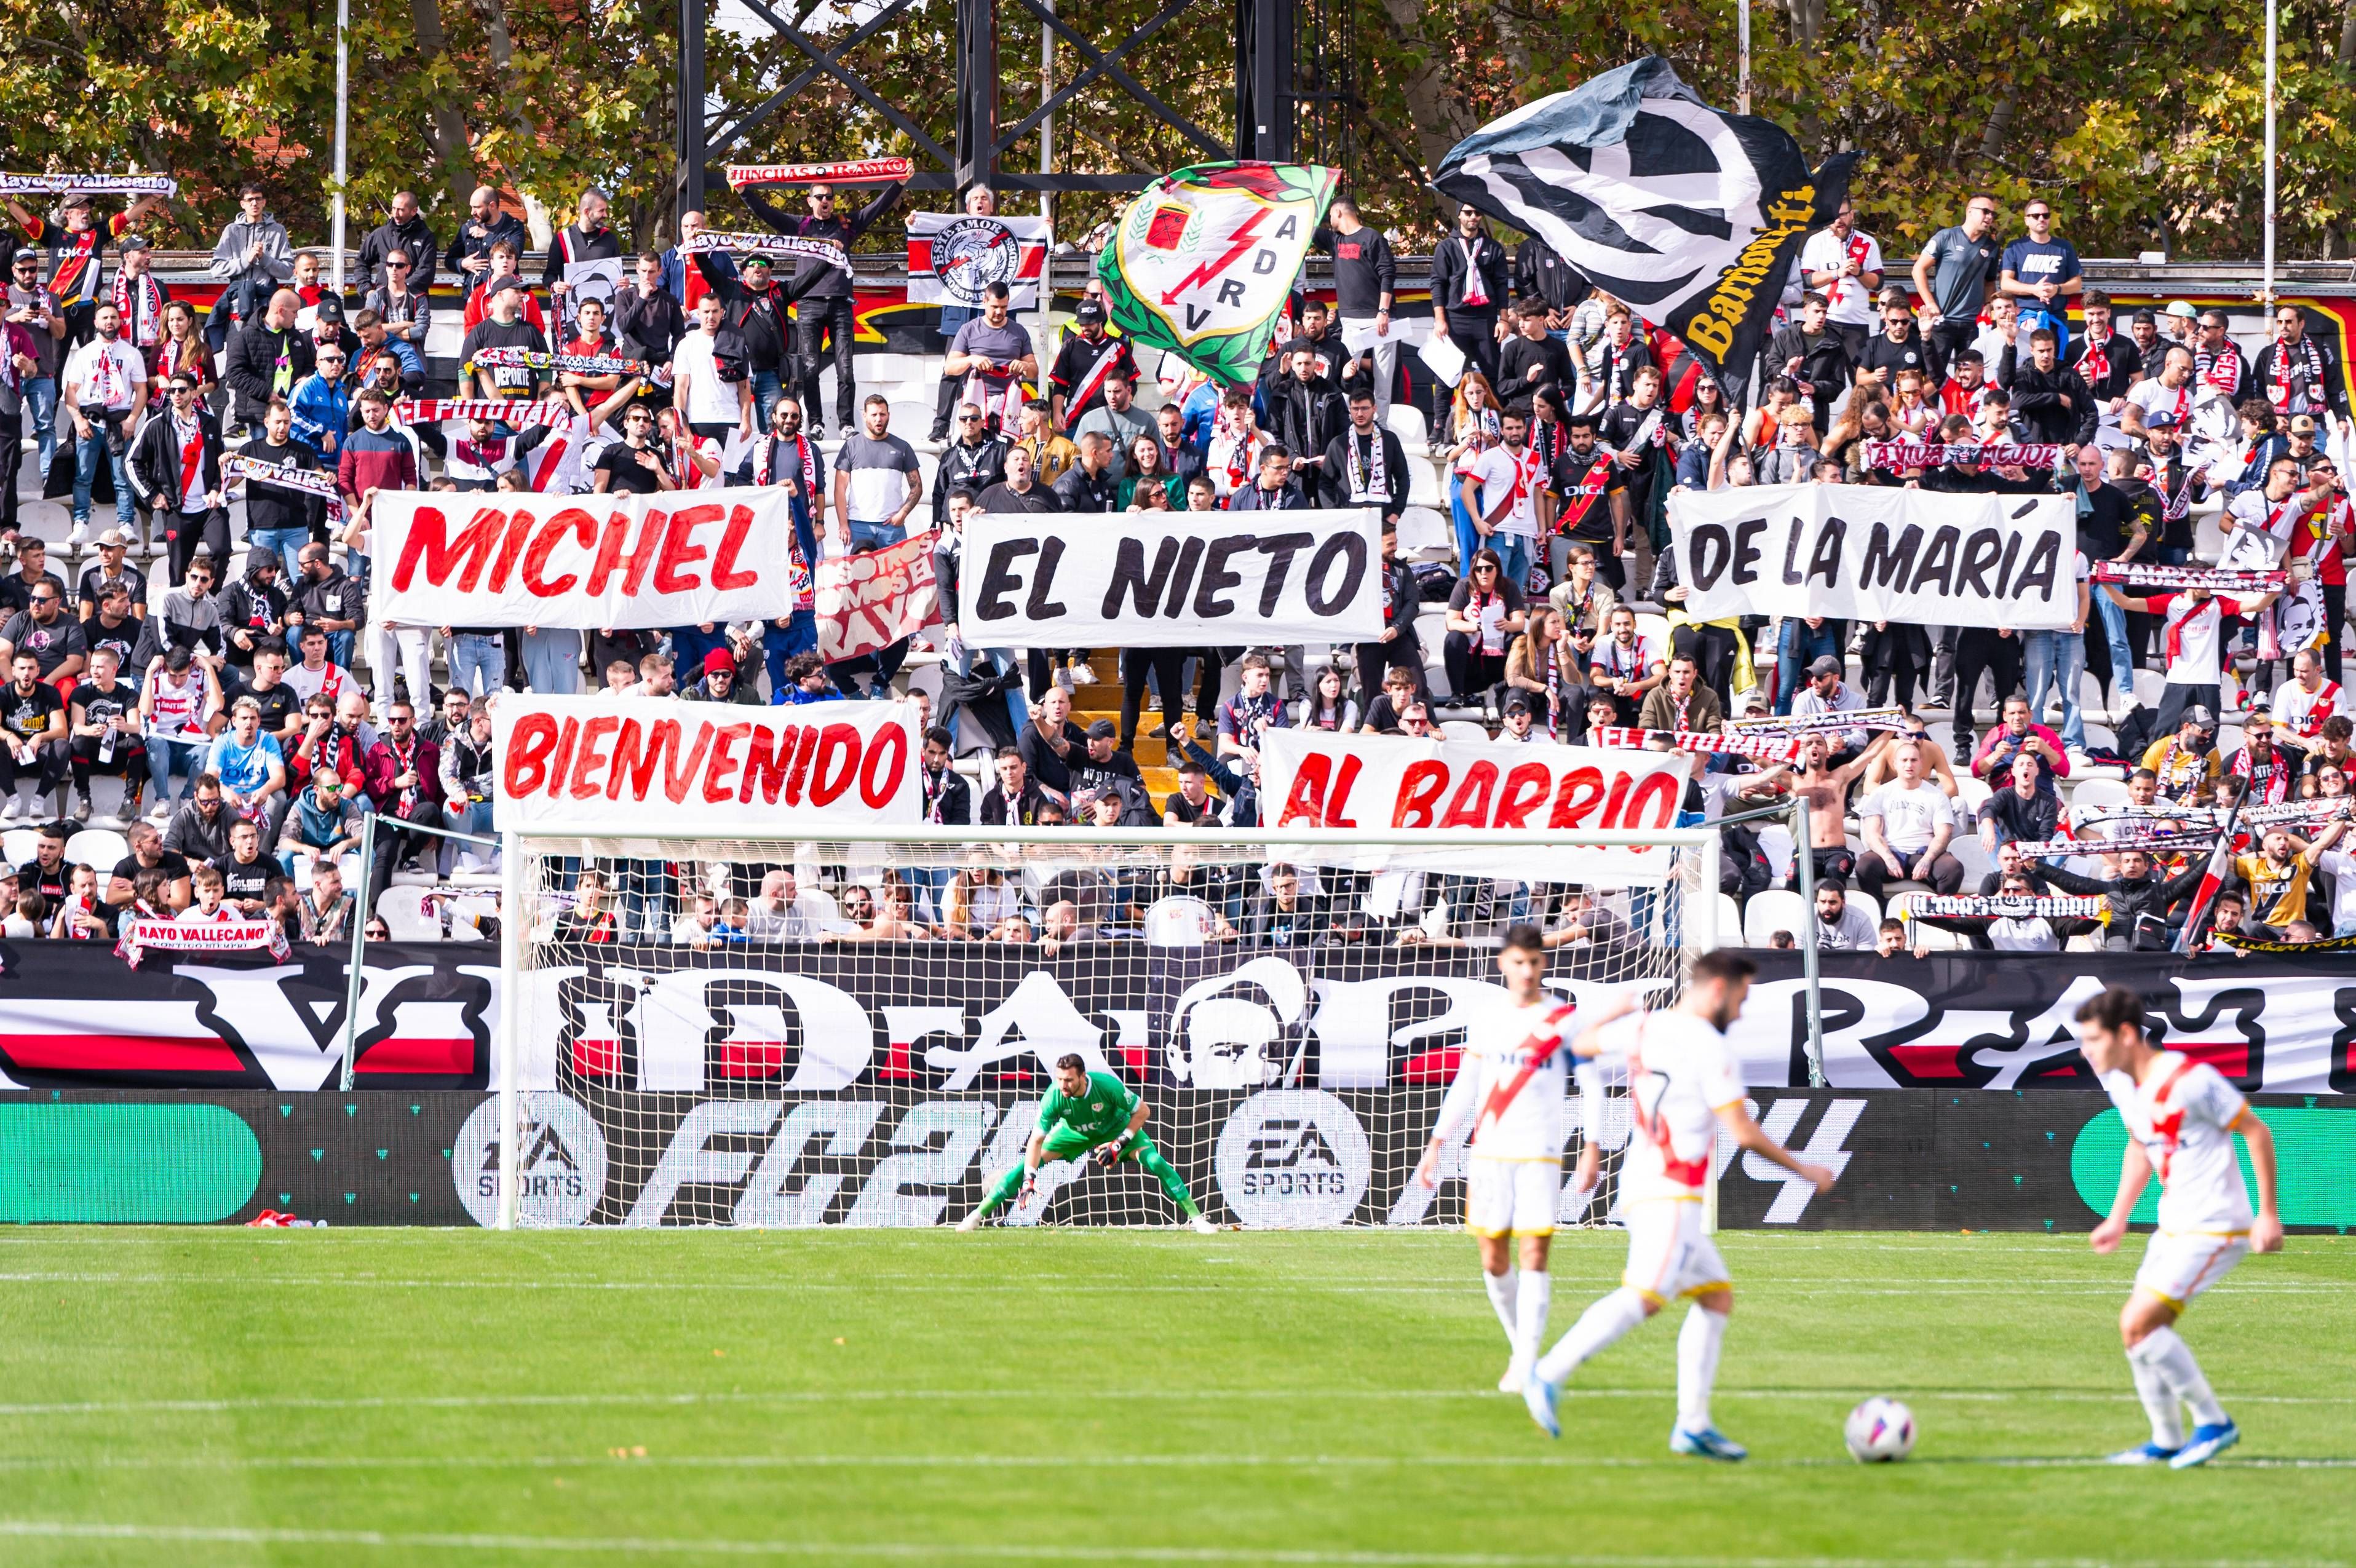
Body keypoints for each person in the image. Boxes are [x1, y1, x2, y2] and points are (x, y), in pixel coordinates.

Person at [1524, 951, 1836, 1454]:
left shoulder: (1646, 1027)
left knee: (1715, 1298)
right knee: (1645, 1297)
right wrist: (1805, 1170)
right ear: (1719, 989)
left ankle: (1692, 1424)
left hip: (1645, 1183)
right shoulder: (1711, 1049)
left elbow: (1578, 1046)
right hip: (1669, 1191)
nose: (1740, 1011)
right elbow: (1742, 1132)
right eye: (1741, 998)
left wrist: (1610, 1014)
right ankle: (1548, 1373)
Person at [2072, 984, 2282, 1468]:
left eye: (2092, 1040)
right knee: (2136, 1334)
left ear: (2124, 1034)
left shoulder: (2189, 1078)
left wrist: (2268, 1213)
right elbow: (2140, 1146)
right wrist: (2118, 1217)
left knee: (2138, 1324)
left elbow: (2256, 1131)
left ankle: (2212, 1422)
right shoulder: (2127, 1088)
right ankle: (2164, 1440)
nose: (2085, 1052)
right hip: (2174, 1225)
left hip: (2214, 1225)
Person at [1408, 926, 1580, 1390]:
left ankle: (1525, 1362)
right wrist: (1437, 1143)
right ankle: (1520, 1346)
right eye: (1518, 962)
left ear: (1544, 964)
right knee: (1493, 1260)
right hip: (1488, 1151)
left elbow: (1592, 1082)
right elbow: (1467, 1083)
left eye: (1535, 962)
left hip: (1540, 1152)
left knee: (1534, 1253)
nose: (1527, 971)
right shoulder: (1486, 1018)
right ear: (1503, 963)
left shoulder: (1564, 1019)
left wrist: (1593, 1147)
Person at [957, 1051, 1215, 1231]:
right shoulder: (1054, 1097)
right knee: (1022, 1168)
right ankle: (976, 1216)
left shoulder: (1106, 1086)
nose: (1063, 1085)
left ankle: (1198, 1220)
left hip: (1115, 1129)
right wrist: (1029, 1178)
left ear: (1082, 1077)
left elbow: (1143, 1111)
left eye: (1068, 1080)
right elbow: (1036, 1140)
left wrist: (1119, 1143)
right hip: (1073, 1133)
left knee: (1156, 1161)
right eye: (1059, 1079)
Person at [740, 175, 903, 438]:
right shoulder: (800, 225)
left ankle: (846, 424)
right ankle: (815, 423)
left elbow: (877, 208)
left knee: (845, 368)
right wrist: (743, 191)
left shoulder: (846, 224)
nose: (825, 201)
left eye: (829, 197)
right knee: (810, 368)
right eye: (819, 197)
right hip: (808, 304)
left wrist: (900, 183)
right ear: (810, 201)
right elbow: (767, 213)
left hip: (840, 304)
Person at [60, 299, 146, 544]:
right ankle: (81, 524)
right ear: (96, 322)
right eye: (105, 318)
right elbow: (71, 391)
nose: (109, 322)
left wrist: (132, 419)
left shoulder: (131, 353)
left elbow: (141, 390)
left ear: (121, 321)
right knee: (82, 475)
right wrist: (78, 419)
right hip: (90, 421)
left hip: (119, 421)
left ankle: (126, 524)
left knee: (122, 476)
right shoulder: (85, 353)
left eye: (113, 317)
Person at [1314, 199, 1398, 410]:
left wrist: (1383, 310)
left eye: (1331, 215)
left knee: (1383, 379)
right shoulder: (1336, 240)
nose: (1329, 220)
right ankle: (1343, 424)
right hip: (1351, 320)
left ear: (1339, 212)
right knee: (1345, 372)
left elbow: (1387, 274)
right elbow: (1310, 227)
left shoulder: (1372, 237)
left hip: (1378, 317)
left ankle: (1381, 428)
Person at [1857, 738, 1964, 900]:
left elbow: (1943, 834)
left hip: (1924, 854)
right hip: (1890, 853)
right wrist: (1888, 858)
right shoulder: (1879, 794)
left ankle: (1938, 914)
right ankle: (1881, 910)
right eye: (1904, 760)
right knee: (1864, 866)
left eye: (1914, 760)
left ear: (1921, 764)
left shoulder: (1937, 795)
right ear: (1895, 764)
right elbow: (1872, 834)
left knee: (1953, 868)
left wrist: (1928, 859)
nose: (1909, 765)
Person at [0, 649, 66, 818]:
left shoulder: (50, 693)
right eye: (22, 668)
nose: (26, 673)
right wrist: (9, 736)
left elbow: (62, 730)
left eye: (31, 668)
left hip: (39, 754)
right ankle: (12, 799)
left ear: (38, 671)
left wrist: (40, 736)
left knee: (62, 746)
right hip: (12, 756)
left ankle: (39, 800)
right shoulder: (3, 693)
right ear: (13, 671)